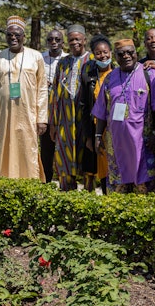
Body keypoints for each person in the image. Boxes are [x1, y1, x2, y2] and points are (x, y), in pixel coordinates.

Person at [91, 39, 155, 193]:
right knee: (118, 194)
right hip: (116, 145)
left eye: (130, 52)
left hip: (142, 144)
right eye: (121, 53)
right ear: (115, 57)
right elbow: (102, 110)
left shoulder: (148, 74)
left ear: (136, 53)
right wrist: (98, 135)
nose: (126, 56)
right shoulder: (110, 78)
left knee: (144, 191)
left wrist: (154, 134)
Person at [0, 16, 48, 180]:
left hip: (29, 114)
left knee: (28, 147)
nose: (13, 38)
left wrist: (42, 118)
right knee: (4, 147)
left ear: (23, 37)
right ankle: (4, 183)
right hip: (3, 116)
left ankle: (31, 183)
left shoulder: (36, 57)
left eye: (17, 35)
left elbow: (42, 89)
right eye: (9, 35)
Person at [47, 25, 90, 191]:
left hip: (85, 119)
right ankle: (66, 193)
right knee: (64, 158)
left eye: (77, 39)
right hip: (65, 119)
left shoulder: (92, 61)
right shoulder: (63, 63)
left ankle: (88, 195)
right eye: (71, 40)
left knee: (86, 158)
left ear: (84, 40)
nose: (74, 43)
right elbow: (55, 95)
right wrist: (52, 123)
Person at [79, 35, 114, 192]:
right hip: (96, 131)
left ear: (111, 52)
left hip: (114, 130)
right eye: (98, 53)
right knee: (98, 167)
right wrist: (88, 136)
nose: (103, 56)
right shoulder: (88, 77)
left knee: (114, 167)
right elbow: (84, 107)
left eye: (105, 52)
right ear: (93, 55)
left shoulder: (119, 74)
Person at [40, 28, 68, 182]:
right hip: (44, 108)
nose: (54, 43)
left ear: (62, 42)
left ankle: (65, 182)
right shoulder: (40, 58)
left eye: (57, 40)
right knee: (46, 149)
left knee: (63, 147)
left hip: (63, 108)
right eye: (50, 40)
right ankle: (46, 181)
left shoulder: (67, 59)